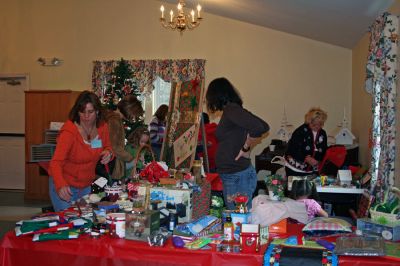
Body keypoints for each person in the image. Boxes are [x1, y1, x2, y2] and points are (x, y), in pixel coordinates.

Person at [206, 77, 270, 210]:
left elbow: (260, 127)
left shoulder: (232, 110)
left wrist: (246, 147)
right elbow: (263, 126)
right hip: (234, 175)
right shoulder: (233, 110)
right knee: (237, 219)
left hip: (237, 176)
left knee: (239, 220)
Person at [49, 91, 113, 211]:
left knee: (86, 221)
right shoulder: (69, 132)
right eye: (82, 112)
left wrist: (108, 153)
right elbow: (55, 162)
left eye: (90, 112)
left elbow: (108, 147)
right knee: (68, 223)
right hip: (65, 185)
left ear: (97, 111)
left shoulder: (102, 127)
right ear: (77, 111)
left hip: (86, 186)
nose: (86, 116)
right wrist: (60, 184)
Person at [104, 95, 144, 180]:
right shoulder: (114, 121)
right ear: (129, 110)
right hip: (111, 163)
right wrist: (131, 158)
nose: (133, 118)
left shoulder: (114, 118)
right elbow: (114, 146)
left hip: (111, 160)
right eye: (134, 114)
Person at [284, 107, 328, 177]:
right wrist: (305, 158)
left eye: (320, 124)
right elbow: (293, 149)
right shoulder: (300, 131)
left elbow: (324, 149)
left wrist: (319, 161)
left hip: (312, 170)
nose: (317, 127)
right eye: (314, 124)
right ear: (309, 121)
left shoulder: (323, 133)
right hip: (295, 169)